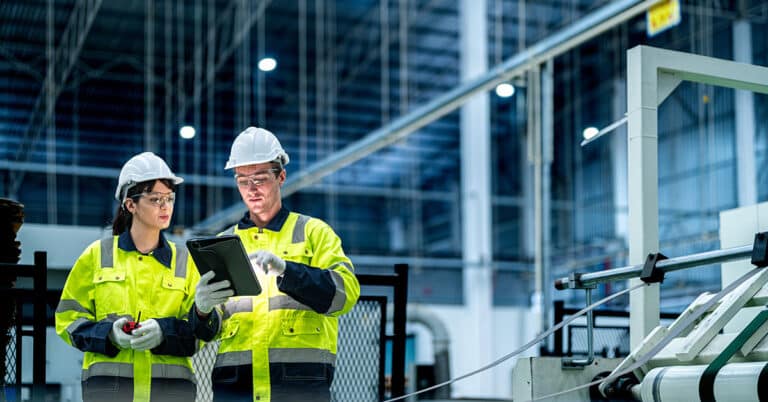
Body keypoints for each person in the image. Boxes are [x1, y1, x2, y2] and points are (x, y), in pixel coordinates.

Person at [191, 127, 360, 402]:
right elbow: (204, 335)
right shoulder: (224, 243)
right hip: (236, 391)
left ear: (281, 176)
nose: (251, 188)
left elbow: (346, 294)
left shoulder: (314, 233)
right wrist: (201, 310)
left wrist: (288, 271)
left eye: (260, 178)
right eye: (242, 180)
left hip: (299, 389)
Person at [55, 152, 207, 402]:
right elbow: (67, 321)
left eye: (170, 198)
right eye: (155, 199)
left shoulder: (185, 262)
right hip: (110, 393)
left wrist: (163, 332)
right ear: (130, 204)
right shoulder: (97, 256)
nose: (165, 206)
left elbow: (198, 334)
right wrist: (109, 334)